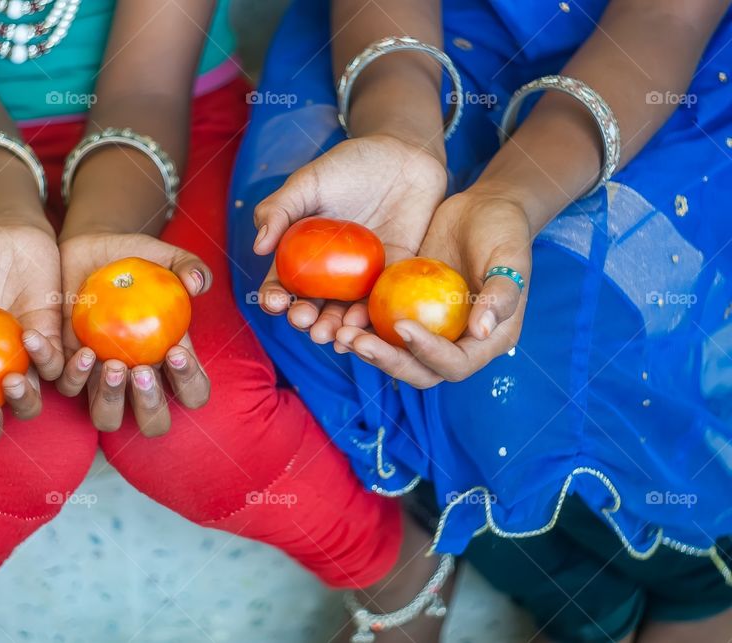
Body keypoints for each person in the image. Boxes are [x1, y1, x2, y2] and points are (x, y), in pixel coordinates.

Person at [0, 1, 437, 641]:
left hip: (176, 123)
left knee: (195, 422)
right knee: (10, 440)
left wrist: (107, 230)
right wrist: (3, 226)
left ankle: (394, 565)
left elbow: (147, 89)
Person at [229, 0, 732, 640]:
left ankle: (691, 586)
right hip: (411, 41)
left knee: (541, 341)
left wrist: (510, 196)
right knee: (307, 302)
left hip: (652, 80)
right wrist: (399, 133)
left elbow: (665, 22)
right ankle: (572, 592)